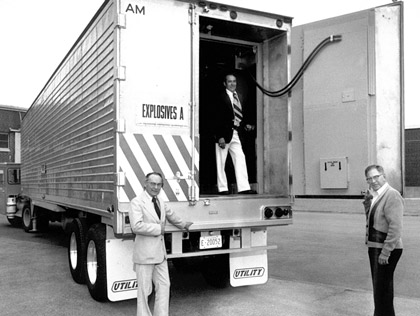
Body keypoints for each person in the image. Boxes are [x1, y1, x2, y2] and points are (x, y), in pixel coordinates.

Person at [129, 172, 193, 316]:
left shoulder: (160, 201)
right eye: (153, 184)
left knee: (164, 286)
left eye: (159, 184)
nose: (156, 187)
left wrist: (184, 224)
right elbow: (136, 226)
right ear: (145, 184)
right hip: (145, 255)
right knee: (144, 291)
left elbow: (171, 215)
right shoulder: (137, 202)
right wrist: (159, 229)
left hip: (160, 254)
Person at [363, 165, 403, 316]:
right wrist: (368, 204)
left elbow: (396, 227)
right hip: (375, 247)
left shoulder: (392, 195)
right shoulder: (376, 195)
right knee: (381, 291)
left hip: (386, 249)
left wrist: (386, 252)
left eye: (376, 177)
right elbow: (373, 221)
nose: (373, 181)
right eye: (369, 178)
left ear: (383, 176)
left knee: (382, 292)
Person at [214, 73, 256, 195]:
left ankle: (243, 187)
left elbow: (239, 115)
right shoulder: (220, 97)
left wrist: (246, 125)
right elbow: (216, 118)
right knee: (221, 162)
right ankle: (222, 188)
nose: (233, 84)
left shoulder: (239, 96)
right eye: (230, 82)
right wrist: (219, 136)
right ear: (225, 84)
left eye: (234, 81)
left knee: (240, 158)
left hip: (236, 133)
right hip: (223, 135)